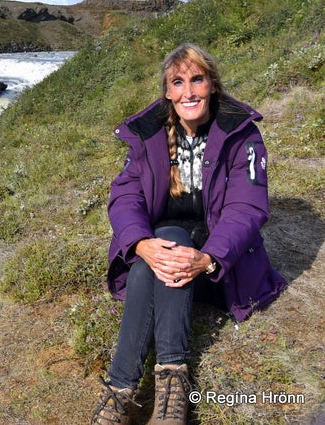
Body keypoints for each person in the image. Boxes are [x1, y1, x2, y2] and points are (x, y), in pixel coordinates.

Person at [92, 43, 287, 424]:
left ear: (212, 84)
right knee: (161, 245)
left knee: (160, 256)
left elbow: (246, 208)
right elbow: (125, 197)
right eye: (178, 82)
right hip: (165, 247)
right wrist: (140, 243)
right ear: (167, 91)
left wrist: (210, 258)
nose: (189, 91)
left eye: (197, 79)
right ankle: (163, 386)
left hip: (219, 265)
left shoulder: (240, 133)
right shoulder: (148, 134)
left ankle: (126, 389)